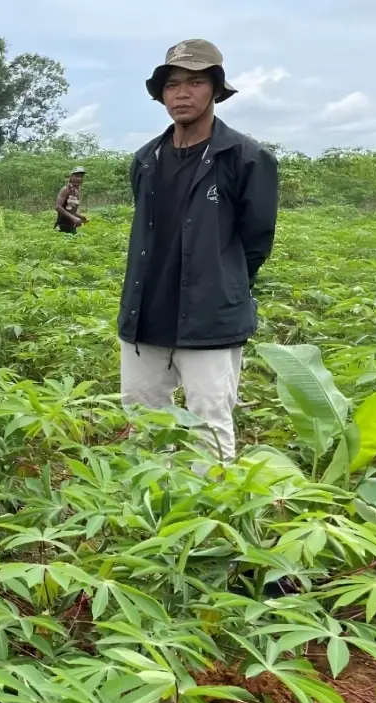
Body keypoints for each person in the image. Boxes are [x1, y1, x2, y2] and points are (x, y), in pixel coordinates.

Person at [119, 39, 279, 462]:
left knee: (209, 421)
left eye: (195, 82)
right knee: (143, 421)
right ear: (162, 94)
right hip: (146, 315)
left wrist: (218, 283)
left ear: (216, 89)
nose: (182, 93)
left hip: (210, 320)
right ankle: (153, 511)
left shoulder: (245, 158)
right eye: (173, 84)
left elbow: (256, 241)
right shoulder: (146, 158)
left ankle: (213, 517)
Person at [54, 167, 88, 233]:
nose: (79, 178)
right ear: (71, 177)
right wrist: (73, 218)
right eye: (76, 176)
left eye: (81, 176)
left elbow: (69, 210)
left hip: (71, 225)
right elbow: (58, 207)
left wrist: (80, 217)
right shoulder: (65, 189)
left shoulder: (77, 191)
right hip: (62, 225)